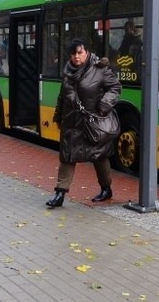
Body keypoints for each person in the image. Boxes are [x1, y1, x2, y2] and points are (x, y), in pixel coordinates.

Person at [45, 38, 122, 208]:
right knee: (67, 157)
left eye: (80, 52)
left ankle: (106, 188)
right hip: (72, 123)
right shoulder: (67, 72)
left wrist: (103, 106)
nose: (76, 57)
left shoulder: (100, 69)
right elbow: (62, 97)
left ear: (86, 52)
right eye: (73, 53)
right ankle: (60, 194)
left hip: (92, 122)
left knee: (99, 157)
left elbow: (115, 87)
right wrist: (58, 117)